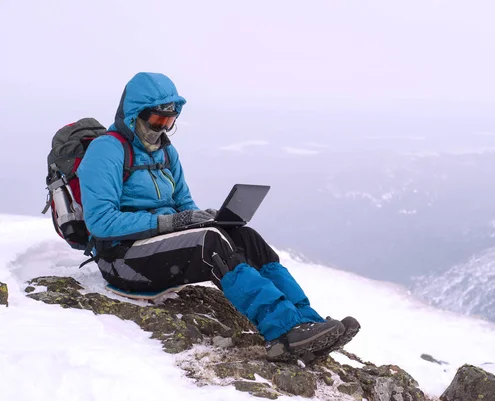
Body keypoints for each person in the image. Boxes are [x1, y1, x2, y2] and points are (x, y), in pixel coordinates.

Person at [77, 72, 359, 361]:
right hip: (121, 260)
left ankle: (307, 322)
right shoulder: (107, 151)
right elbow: (100, 222)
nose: (162, 129)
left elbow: (184, 202)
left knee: (246, 238)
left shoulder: (166, 152)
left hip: (154, 248)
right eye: (157, 121)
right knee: (211, 243)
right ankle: (285, 332)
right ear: (135, 114)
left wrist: (203, 218)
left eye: (169, 121)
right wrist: (170, 223)